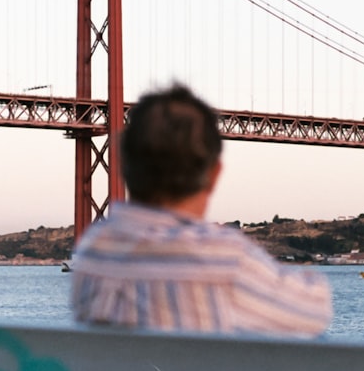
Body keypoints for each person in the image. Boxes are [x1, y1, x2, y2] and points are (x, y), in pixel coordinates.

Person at [70, 84, 332, 337]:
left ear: (123, 166)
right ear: (215, 173)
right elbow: (316, 312)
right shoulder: (224, 258)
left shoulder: (92, 250)